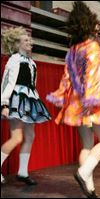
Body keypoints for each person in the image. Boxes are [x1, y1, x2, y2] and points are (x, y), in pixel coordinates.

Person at [46, 2, 100, 198]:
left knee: (86, 144)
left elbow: (66, 78)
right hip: (90, 100)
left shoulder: (73, 49)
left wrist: (63, 96)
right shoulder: (92, 46)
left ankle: (90, 188)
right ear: (89, 24)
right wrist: (91, 101)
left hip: (75, 102)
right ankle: (83, 173)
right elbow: (93, 76)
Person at [1, 26, 51, 185]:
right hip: (16, 99)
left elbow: (33, 85)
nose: (30, 42)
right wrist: (4, 104)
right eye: (26, 40)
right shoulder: (14, 59)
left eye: (30, 40)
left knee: (30, 136)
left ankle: (22, 172)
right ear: (17, 44)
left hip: (30, 100)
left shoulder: (32, 63)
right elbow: (7, 82)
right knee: (16, 137)